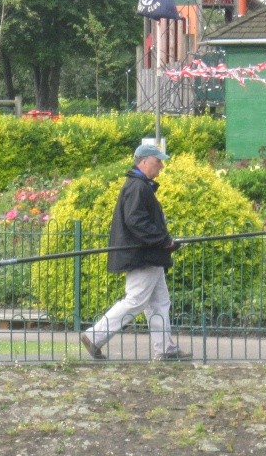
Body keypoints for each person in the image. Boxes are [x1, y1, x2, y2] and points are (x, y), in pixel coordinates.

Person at [81, 143, 191, 362]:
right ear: (143, 161)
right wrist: (164, 241)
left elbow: (137, 220)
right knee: (136, 300)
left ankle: (166, 349)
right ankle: (94, 335)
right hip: (143, 255)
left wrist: (163, 241)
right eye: (157, 160)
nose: (161, 165)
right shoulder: (137, 187)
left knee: (159, 302)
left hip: (148, 254)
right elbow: (136, 221)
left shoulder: (139, 186)